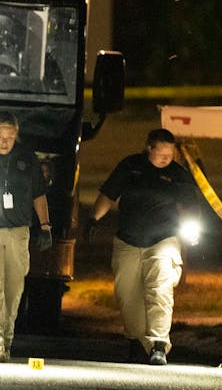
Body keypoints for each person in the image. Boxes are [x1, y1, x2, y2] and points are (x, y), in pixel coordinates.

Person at [86, 128, 206, 366]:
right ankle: (136, 341)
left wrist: (194, 229)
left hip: (164, 240)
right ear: (148, 148)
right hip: (128, 240)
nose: (166, 159)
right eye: (161, 154)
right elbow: (109, 195)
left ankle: (159, 344)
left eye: (170, 155)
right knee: (127, 294)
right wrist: (94, 219)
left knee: (160, 290)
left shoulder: (177, 174)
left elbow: (191, 206)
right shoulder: (130, 166)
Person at [0, 111, 52, 363]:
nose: (4, 141)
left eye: (10, 136)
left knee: (14, 288)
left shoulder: (27, 159)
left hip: (19, 233)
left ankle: (7, 339)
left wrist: (46, 226)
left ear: (16, 135)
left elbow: (39, 194)